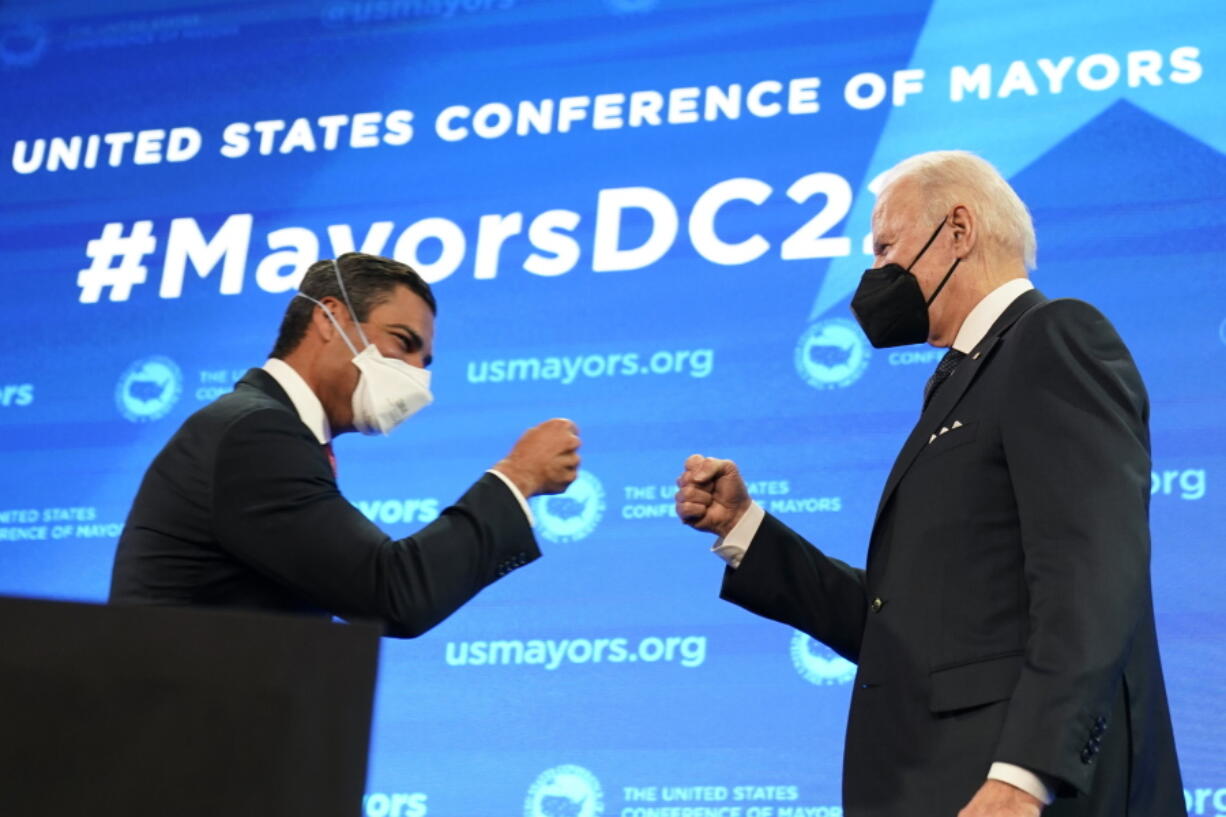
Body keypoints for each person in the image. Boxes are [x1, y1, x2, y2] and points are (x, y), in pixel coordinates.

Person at [674, 152, 1183, 816]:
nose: (875, 272)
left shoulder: (1052, 338)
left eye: (886, 245)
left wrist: (1026, 773)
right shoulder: (956, 382)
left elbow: (1092, 570)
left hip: (1013, 792)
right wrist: (745, 528)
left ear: (959, 230)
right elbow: (901, 627)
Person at [110, 252, 580, 638]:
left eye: (425, 360)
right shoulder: (255, 434)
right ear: (330, 318)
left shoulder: (265, 429)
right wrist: (517, 477)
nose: (417, 377)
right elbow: (392, 591)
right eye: (403, 342)